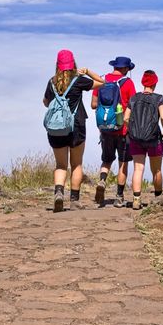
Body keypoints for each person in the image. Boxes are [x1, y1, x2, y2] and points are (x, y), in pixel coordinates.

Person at [42, 49, 104, 212]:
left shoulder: (52, 82)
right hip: (76, 126)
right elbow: (101, 83)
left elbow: (46, 102)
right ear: (73, 64)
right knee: (76, 164)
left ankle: (59, 193)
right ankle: (74, 200)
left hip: (56, 128)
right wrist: (87, 71)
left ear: (57, 65)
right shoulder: (78, 80)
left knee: (61, 165)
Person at [90, 56, 136, 207]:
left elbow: (93, 104)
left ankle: (102, 180)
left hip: (105, 129)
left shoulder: (101, 80)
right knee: (123, 163)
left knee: (107, 159)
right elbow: (133, 105)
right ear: (125, 69)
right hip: (123, 130)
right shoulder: (128, 83)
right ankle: (119, 197)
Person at [124, 69, 163, 210]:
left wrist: (131, 129)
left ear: (143, 82)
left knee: (138, 168)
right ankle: (159, 199)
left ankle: (136, 199)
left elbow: (125, 118)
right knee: (156, 170)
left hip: (136, 137)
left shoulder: (134, 98)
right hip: (154, 138)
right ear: (155, 83)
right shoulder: (159, 98)